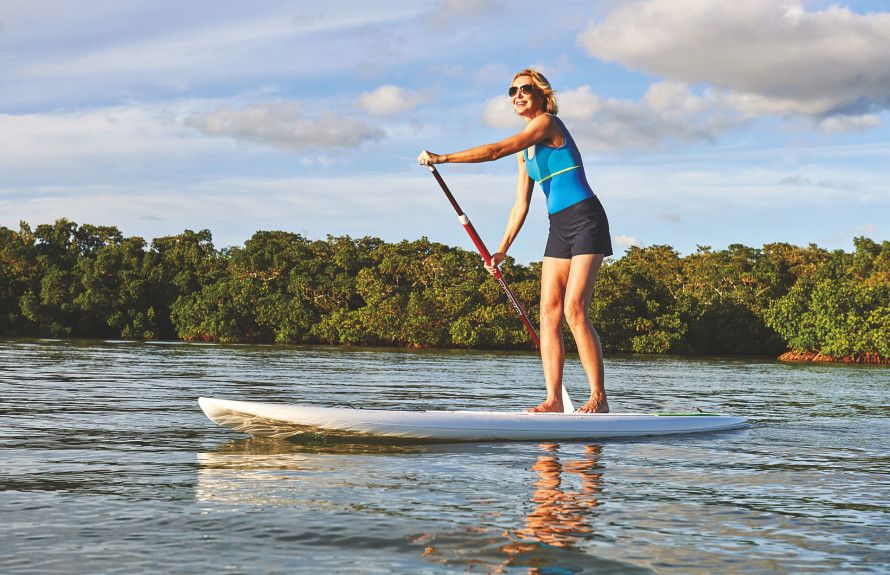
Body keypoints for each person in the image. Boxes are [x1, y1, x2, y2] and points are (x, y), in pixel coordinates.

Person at [418, 68, 613, 413]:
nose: (517, 95)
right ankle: (554, 400)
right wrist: (501, 250)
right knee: (548, 314)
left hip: (585, 218)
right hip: (559, 225)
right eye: (512, 91)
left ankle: (599, 398)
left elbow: (496, 150)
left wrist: (443, 158)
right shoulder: (526, 153)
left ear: (541, 95)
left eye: (525, 89)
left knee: (574, 309)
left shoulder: (548, 124)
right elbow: (520, 205)